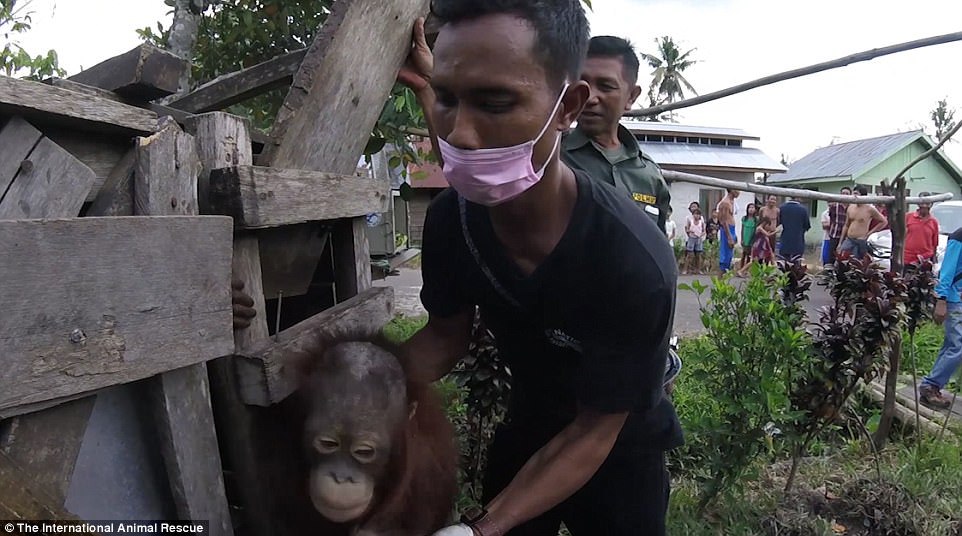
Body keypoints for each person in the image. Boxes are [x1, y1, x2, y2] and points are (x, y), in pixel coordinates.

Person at [393, 4, 682, 535]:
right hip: (529, 421)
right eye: (448, 99)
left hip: (619, 440)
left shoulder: (635, 262)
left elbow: (596, 431)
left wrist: (480, 528)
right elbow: (444, 336)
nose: (461, 135)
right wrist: (369, 386)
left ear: (567, 105)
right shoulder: (450, 222)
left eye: (496, 103)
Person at [561, 35, 671, 233]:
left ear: (631, 96)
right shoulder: (550, 158)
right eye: (583, 84)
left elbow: (657, 249)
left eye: (605, 86)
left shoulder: (649, 175)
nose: (590, 97)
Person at [919, 227, 962, 409]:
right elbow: (948, 269)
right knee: (957, 345)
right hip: (952, 298)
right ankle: (931, 385)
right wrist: (941, 299)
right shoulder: (959, 236)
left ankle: (933, 385)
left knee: (951, 344)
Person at [837, 185, 887, 260]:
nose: (854, 196)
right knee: (841, 260)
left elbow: (883, 221)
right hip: (849, 239)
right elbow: (846, 225)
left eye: (856, 194)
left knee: (856, 263)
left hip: (860, 240)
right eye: (853, 194)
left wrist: (868, 234)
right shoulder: (851, 207)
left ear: (862, 196)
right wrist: (840, 242)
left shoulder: (870, 209)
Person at [904, 193, 940, 266]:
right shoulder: (908, 217)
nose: (924, 205)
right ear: (917, 203)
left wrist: (934, 259)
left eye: (927, 203)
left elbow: (934, 243)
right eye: (922, 203)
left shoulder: (934, 222)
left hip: (924, 260)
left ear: (931, 204)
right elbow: (900, 236)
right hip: (907, 258)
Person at [778, 195, 810, 262]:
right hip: (798, 241)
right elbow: (807, 225)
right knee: (796, 265)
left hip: (785, 240)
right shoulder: (803, 209)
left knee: (783, 264)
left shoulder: (782, 208)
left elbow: (778, 223)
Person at [716, 189, 740, 273]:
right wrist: (729, 236)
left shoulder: (732, 202)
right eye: (737, 190)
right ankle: (719, 283)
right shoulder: (725, 203)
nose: (739, 192)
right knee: (724, 258)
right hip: (727, 230)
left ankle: (724, 282)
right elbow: (723, 221)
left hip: (731, 229)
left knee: (729, 257)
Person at [826, 187, 851, 263]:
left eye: (847, 193)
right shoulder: (834, 206)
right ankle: (830, 272)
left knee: (844, 258)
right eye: (843, 193)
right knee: (832, 256)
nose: (845, 195)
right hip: (834, 234)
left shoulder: (852, 207)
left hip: (847, 237)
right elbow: (831, 220)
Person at [683, 207, 706, 275]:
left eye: (698, 214)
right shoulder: (691, 221)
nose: (697, 216)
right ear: (693, 215)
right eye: (695, 214)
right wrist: (690, 232)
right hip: (691, 238)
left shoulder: (701, 222)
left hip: (698, 239)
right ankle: (685, 269)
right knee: (689, 255)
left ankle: (698, 269)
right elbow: (687, 229)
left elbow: (704, 231)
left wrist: (701, 235)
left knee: (698, 255)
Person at [739, 203, 757, 270]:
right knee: (743, 254)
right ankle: (741, 268)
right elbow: (742, 229)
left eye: (753, 208)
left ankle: (745, 270)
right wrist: (742, 239)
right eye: (750, 208)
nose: (751, 209)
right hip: (745, 238)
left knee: (749, 255)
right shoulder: (744, 218)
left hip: (751, 239)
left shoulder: (755, 220)